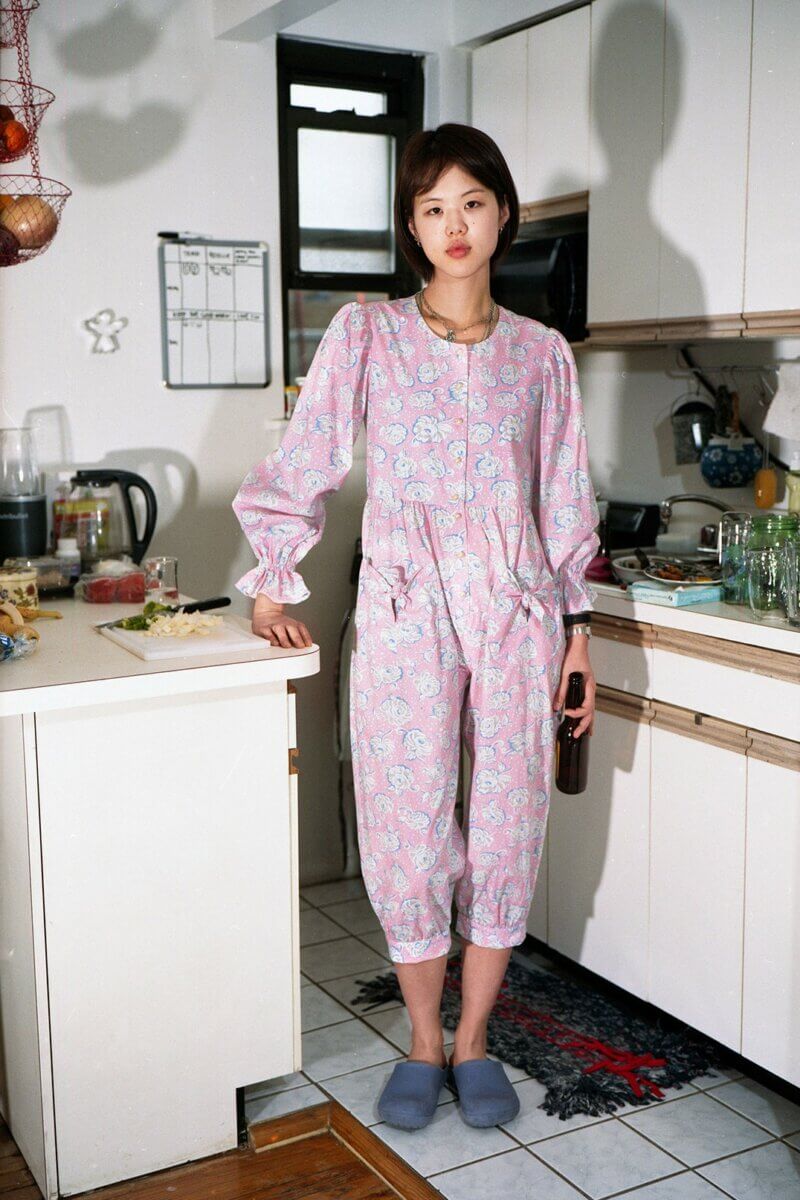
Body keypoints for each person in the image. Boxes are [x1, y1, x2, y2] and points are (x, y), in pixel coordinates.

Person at [232, 123, 600, 1131]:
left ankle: (475, 1041)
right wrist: (275, 576)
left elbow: (564, 498)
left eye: (471, 203)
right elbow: (306, 456)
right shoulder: (366, 332)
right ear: (410, 224)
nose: (453, 225)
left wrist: (577, 632)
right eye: (431, 206)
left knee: (507, 821)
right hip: (403, 606)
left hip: (519, 607)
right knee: (404, 821)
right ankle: (423, 1041)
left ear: (501, 216)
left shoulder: (541, 356)